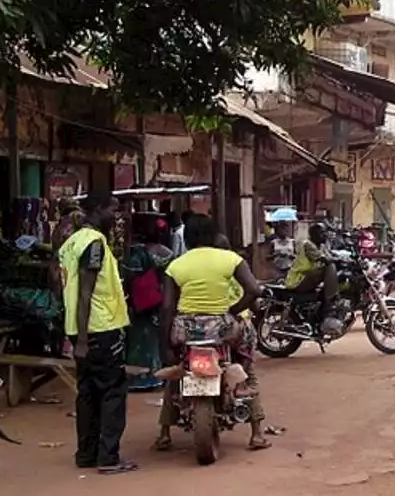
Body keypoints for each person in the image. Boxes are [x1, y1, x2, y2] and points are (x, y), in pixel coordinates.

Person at [156, 215, 269, 451]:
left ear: (186, 238)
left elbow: (167, 308)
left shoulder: (176, 265)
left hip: (184, 330)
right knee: (247, 367)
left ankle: (164, 433)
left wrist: (165, 346)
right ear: (213, 235)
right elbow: (253, 290)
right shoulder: (231, 259)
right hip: (222, 329)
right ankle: (256, 433)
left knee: (177, 372)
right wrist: (233, 310)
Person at [57, 193, 137, 474]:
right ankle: (109, 457)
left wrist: (76, 334)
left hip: (77, 328)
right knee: (113, 391)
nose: (116, 217)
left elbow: (61, 286)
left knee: (87, 392)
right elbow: (85, 293)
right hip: (100, 329)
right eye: (112, 211)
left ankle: (86, 454)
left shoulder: (69, 243)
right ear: (99, 210)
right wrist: (82, 338)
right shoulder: (94, 243)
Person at [122, 215, 174, 391]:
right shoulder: (167, 253)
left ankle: (139, 378)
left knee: (138, 339)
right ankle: (157, 375)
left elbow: (129, 278)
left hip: (139, 303)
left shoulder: (136, 254)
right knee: (157, 339)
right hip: (161, 300)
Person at [284, 222, 338, 316]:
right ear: (314, 235)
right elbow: (326, 259)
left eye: (325, 233)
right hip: (299, 278)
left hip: (307, 276)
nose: (324, 235)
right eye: (322, 233)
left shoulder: (321, 246)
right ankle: (331, 300)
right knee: (330, 267)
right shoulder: (308, 245)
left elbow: (330, 255)